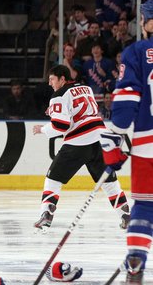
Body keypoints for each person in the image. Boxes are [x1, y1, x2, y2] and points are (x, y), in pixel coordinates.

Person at [32, 64, 130, 233]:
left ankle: (47, 214)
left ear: (62, 79)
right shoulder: (86, 88)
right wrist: (55, 111)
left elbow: (61, 126)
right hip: (100, 138)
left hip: (78, 142)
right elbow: (81, 110)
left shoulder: (58, 95)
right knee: (109, 182)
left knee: (53, 179)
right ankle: (126, 216)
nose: (50, 84)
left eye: (52, 80)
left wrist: (41, 129)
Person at [100, 0, 153, 282]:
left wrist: (117, 135)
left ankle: (136, 258)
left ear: (145, 24)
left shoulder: (136, 52)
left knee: (145, 205)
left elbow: (125, 103)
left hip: (148, 145)